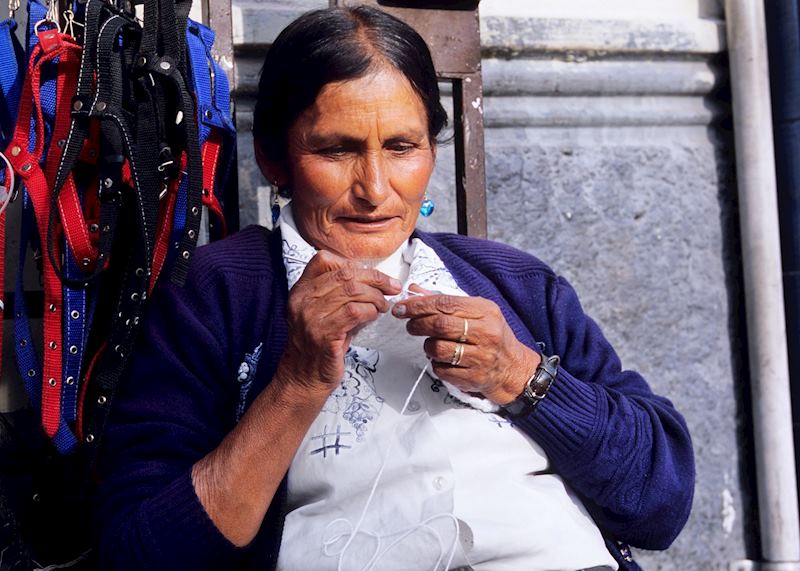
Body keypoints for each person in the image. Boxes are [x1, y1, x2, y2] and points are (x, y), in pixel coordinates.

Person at [92, 6, 694, 571]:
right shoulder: (216, 294)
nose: (375, 190)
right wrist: (296, 384)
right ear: (275, 160)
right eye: (336, 150)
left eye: (402, 147)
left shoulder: (514, 283)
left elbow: (660, 501)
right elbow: (143, 549)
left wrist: (521, 374)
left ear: (430, 152)